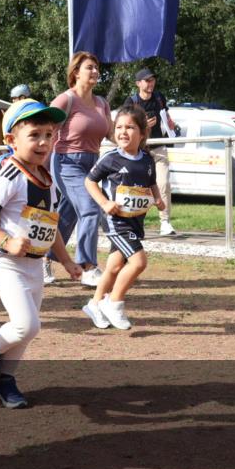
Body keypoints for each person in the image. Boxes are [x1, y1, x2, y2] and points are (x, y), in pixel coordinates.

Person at [0, 100, 82, 408]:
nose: (44, 142)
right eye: (34, 135)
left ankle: (5, 381)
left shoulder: (48, 181)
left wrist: (68, 260)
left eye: (48, 134)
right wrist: (5, 241)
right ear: (11, 140)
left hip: (35, 266)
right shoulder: (9, 175)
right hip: (8, 264)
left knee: (28, 328)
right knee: (27, 324)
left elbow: (52, 226)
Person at [83, 105, 165, 331]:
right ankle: (114, 303)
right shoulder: (110, 159)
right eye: (119, 127)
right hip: (115, 221)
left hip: (135, 221)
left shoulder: (147, 159)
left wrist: (158, 200)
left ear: (142, 133)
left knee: (114, 266)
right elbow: (89, 182)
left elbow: (151, 183)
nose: (123, 132)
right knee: (138, 262)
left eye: (130, 127)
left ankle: (95, 304)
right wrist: (105, 203)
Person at [48, 51, 113, 287]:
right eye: (90, 67)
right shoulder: (66, 100)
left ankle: (45, 258)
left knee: (69, 215)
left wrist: (136, 139)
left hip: (92, 164)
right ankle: (87, 266)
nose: (95, 71)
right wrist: (37, 164)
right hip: (66, 162)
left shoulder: (102, 103)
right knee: (90, 207)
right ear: (76, 72)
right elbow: (46, 131)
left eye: (96, 67)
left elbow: (112, 134)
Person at [123, 68, 177, 236]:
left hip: (159, 147)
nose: (151, 83)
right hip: (139, 150)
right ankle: (134, 223)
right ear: (138, 83)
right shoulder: (131, 101)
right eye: (147, 80)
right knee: (138, 188)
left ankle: (165, 222)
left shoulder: (160, 98)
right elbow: (125, 126)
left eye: (152, 80)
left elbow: (166, 116)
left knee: (163, 184)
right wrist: (144, 126)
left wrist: (170, 124)